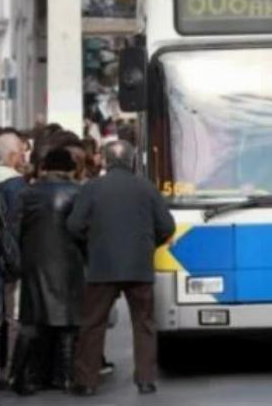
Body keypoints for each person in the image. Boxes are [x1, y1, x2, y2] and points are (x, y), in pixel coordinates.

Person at [67, 140, 175, 396]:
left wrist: (90, 245)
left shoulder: (92, 188)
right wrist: (148, 245)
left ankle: (87, 381)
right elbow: (167, 226)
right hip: (139, 265)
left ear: (104, 160)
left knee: (93, 323)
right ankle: (146, 379)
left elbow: (74, 225)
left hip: (102, 265)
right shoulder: (146, 188)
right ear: (132, 160)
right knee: (144, 323)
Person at [11, 148, 84, 395]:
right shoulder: (78, 193)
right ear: (69, 168)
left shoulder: (27, 194)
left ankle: (26, 375)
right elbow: (85, 230)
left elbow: (16, 229)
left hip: (35, 264)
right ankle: (64, 375)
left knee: (33, 322)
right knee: (68, 322)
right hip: (69, 264)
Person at [0, 132, 28, 384]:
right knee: (10, 315)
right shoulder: (18, 185)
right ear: (13, 156)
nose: (24, 156)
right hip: (11, 261)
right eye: (22, 151)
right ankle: (7, 368)